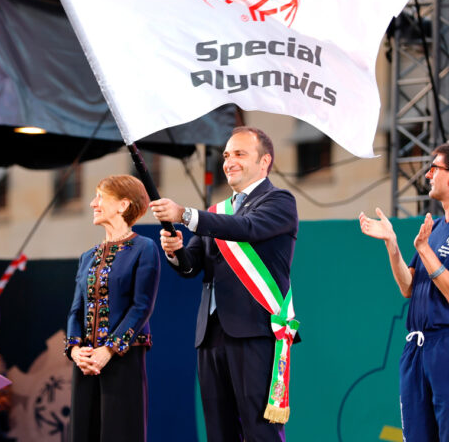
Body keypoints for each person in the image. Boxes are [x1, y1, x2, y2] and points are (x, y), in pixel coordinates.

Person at [151, 126, 298, 442]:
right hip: (211, 333)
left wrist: (185, 214)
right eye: (227, 155)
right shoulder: (218, 211)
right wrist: (176, 252)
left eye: (240, 154)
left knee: (261, 430)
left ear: (264, 161)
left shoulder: (280, 201)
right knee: (218, 430)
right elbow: (192, 267)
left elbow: (247, 227)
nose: (229, 161)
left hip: (255, 330)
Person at [359, 143, 449, 441]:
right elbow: (408, 287)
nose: (428, 175)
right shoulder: (434, 227)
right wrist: (392, 245)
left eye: (435, 168)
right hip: (417, 348)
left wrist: (424, 250)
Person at [65, 174, 161, 442]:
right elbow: (76, 310)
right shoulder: (88, 257)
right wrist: (75, 351)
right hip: (85, 362)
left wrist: (109, 349)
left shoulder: (144, 248)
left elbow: (142, 306)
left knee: (120, 431)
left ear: (122, 205)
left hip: (122, 358)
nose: (93, 204)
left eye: (100, 197)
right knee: (84, 431)